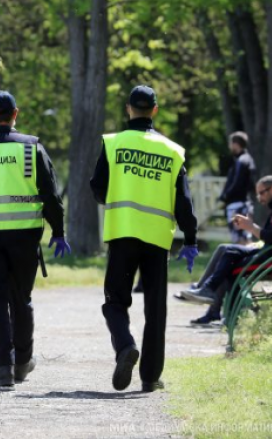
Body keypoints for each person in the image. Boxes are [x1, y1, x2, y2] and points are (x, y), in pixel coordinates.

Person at [90, 85, 199, 393]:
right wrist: (190, 238)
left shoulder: (113, 144)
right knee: (155, 309)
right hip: (156, 239)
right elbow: (184, 203)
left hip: (122, 234)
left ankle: (125, 346)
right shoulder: (172, 151)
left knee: (115, 301)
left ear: (128, 109)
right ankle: (150, 377)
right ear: (155, 110)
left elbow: (98, 188)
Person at [0, 90, 69, 387]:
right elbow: (50, 195)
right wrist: (58, 231)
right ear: (15, 114)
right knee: (21, 299)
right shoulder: (31, 147)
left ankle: (3, 367)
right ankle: (22, 362)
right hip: (23, 234)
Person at [182, 176, 272, 324]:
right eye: (257, 194)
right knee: (229, 251)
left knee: (232, 268)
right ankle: (207, 290)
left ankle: (232, 317)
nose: (259, 197)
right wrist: (250, 227)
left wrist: (250, 227)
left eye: (262, 193)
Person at [218, 132, 256, 245]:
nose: (230, 147)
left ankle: (245, 262)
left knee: (239, 237)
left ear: (236, 144)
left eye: (231, 143)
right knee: (245, 235)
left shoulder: (242, 161)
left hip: (237, 203)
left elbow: (237, 183)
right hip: (245, 202)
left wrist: (225, 196)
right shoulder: (248, 159)